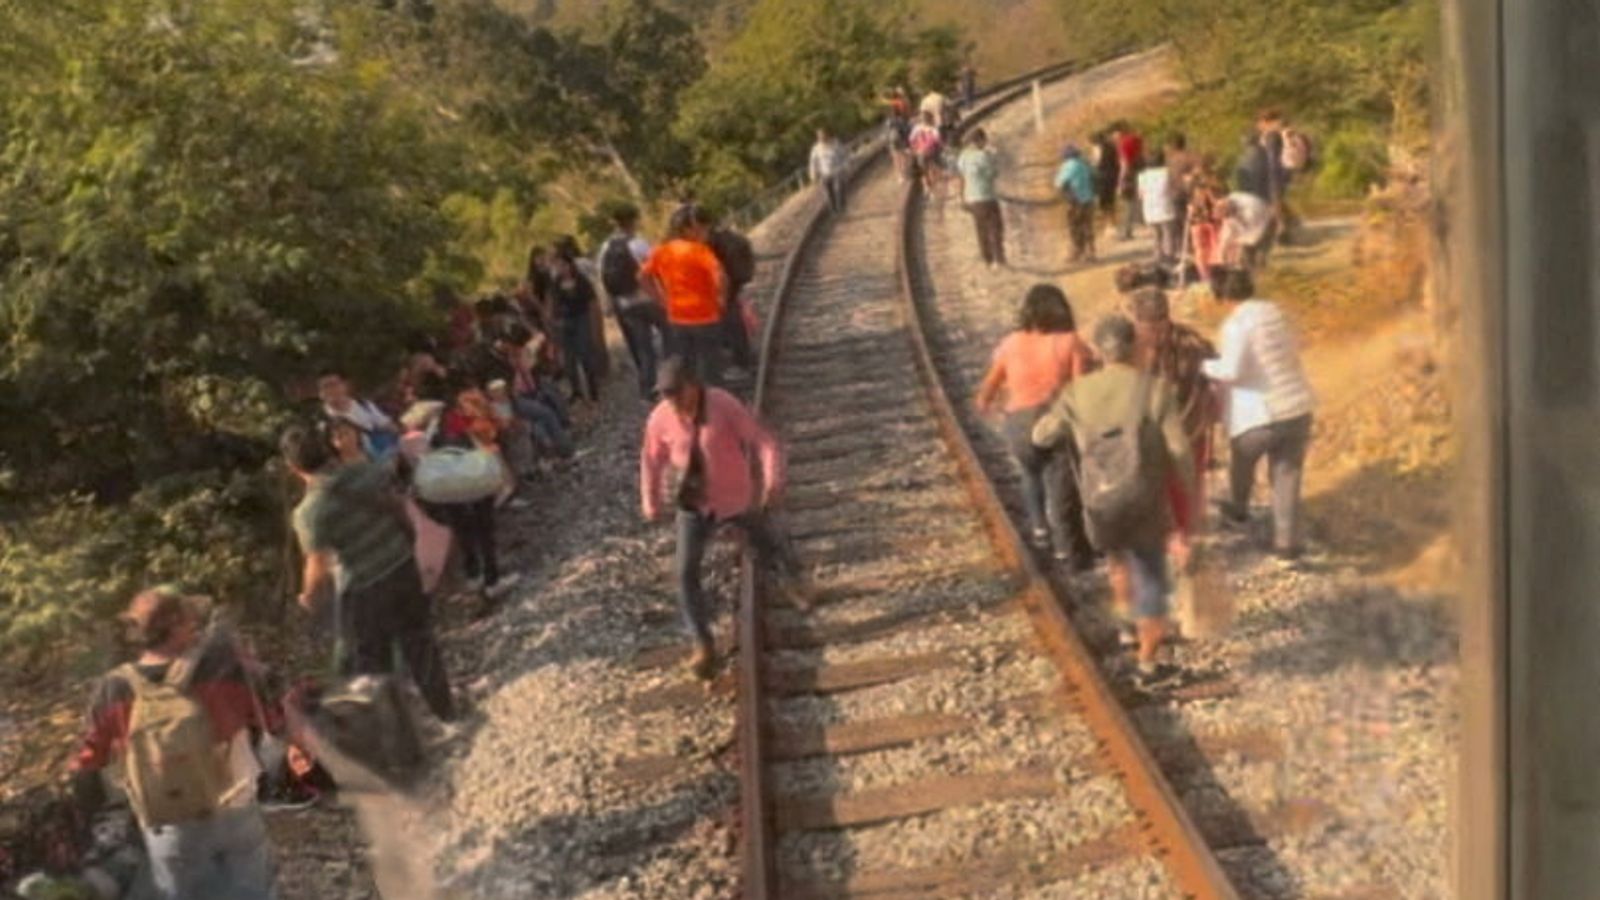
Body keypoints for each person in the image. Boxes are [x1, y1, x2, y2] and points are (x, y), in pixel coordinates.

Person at [67, 588, 282, 900]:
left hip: (170, 822)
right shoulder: (223, 668)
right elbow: (274, 720)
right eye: (189, 619)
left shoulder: (115, 687)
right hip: (235, 810)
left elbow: (87, 762)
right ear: (178, 624)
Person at [1033, 316, 1194, 690]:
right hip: (1145, 495)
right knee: (1151, 573)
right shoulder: (1155, 390)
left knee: (1118, 562)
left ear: (1097, 352)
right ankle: (1149, 666)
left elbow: (1042, 437)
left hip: (1100, 497)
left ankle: (1126, 629)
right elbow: (1180, 450)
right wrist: (1188, 492)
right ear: (1134, 347)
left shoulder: (1077, 392)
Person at [639, 358, 811, 679]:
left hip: (735, 497)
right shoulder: (660, 418)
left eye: (677, 392)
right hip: (694, 504)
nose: (672, 400)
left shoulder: (723, 405)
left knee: (767, 543)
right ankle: (702, 643)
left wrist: (772, 480)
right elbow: (651, 460)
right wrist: (651, 499)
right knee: (685, 572)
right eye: (666, 395)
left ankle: (794, 581)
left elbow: (764, 441)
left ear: (693, 385)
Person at [282, 424, 455, 722]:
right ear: (328, 449)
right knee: (419, 640)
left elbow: (318, 563)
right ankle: (446, 711)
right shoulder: (365, 473)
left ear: (293, 467)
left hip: (363, 587)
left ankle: (404, 740)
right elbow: (394, 490)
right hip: (401, 563)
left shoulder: (309, 512)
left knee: (376, 666)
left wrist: (308, 596)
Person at [975, 285, 1098, 567]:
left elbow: (986, 392)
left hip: (1016, 422)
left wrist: (995, 410)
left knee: (1030, 473)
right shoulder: (1070, 342)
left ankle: (1039, 530)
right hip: (1052, 422)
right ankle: (1067, 550)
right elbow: (1081, 391)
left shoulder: (1010, 343)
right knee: (1061, 485)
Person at [1201, 267, 1317, 560]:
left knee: (1242, 461)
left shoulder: (1236, 324)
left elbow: (1231, 371)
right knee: (1286, 475)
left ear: (1222, 295)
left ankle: (1239, 509)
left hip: (1261, 414)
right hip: (1297, 405)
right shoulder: (1276, 312)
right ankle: (1286, 544)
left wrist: (1203, 366)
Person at [1129, 287, 1218, 537]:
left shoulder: (1192, 343)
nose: (1153, 333)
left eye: (1157, 325)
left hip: (1188, 428)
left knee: (1188, 487)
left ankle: (1187, 536)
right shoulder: (1128, 349)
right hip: (1150, 433)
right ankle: (1176, 533)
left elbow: (1215, 375)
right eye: (1147, 327)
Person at [428, 372, 522, 597]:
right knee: (484, 526)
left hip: (444, 480)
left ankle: (473, 574)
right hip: (471, 472)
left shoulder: (430, 418)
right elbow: (486, 434)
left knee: (463, 530)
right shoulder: (463, 413)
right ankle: (492, 580)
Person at [640, 205, 727, 388]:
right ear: (688, 228)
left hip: (677, 317)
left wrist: (660, 299)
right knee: (710, 369)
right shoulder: (699, 250)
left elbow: (642, 277)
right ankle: (712, 406)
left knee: (687, 368)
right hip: (706, 316)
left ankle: (692, 406)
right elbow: (719, 274)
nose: (704, 231)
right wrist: (721, 298)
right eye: (701, 227)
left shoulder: (661, 251)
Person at [598, 204, 667, 400]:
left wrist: (609, 305)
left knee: (643, 347)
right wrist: (663, 296)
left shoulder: (605, 247)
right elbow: (655, 270)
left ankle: (647, 389)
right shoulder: (638, 243)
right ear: (632, 222)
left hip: (625, 304)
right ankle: (679, 373)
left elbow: (603, 278)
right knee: (671, 332)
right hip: (647, 299)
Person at [698, 207, 759, 376]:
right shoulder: (724, 236)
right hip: (733, 282)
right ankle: (742, 358)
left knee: (730, 322)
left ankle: (741, 362)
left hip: (724, 285)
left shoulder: (711, 241)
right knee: (733, 320)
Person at [548, 244, 602, 405]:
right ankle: (576, 391)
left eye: (563, 265)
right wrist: (553, 321)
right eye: (558, 265)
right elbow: (552, 304)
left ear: (570, 265)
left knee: (585, 355)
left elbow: (592, 303)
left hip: (581, 318)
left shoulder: (581, 281)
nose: (561, 268)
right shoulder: (556, 283)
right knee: (569, 360)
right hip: (565, 322)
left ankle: (593, 390)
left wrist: (595, 326)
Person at [318, 369, 399, 460]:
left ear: (345, 385)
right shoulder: (324, 422)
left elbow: (387, 425)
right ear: (320, 394)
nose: (331, 390)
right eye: (326, 387)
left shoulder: (363, 404)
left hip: (385, 453)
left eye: (334, 384)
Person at [956, 128, 1006, 269]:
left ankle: (987, 259)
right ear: (980, 140)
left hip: (972, 199)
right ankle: (998, 259)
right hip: (987, 197)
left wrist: (961, 198)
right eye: (984, 140)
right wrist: (993, 157)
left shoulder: (963, 156)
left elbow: (961, 177)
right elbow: (993, 174)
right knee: (995, 228)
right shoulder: (984, 156)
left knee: (981, 230)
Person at [1137, 150, 1179, 264]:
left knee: (1156, 236)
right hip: (1165, 207)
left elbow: (1140, 195)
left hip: (1149, 209)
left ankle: (1158, 258)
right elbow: (1174, 189)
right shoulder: (1167, 172)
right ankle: (1169, 258)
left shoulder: (1142, 176)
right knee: (1168, 234)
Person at [1217, 191, 1275, 270]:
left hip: (1263, 228)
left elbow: (1250, 234)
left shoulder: (1250, 211)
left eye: (1227, 215)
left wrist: (1231, 240)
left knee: (1259, 258)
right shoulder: (1233, 198)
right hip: (1255, 229)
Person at [1113, 122, 1145, 240]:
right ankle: (1140, 222)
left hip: (1129, 174)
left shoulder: (1123, 144)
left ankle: (1126, 232)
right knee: (1137, 200)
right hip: (1139, 171)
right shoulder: (1136, 139)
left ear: (1119, 133)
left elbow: (1124, 164)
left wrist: (1120, 182)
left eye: (1114, 135)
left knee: (1127, 203)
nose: (1114, 138)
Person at [809, 128, 850, 214]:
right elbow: (813, 162)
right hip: (824, 173)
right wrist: (813, 174)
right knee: (828, 193)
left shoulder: (836, 144)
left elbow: (844, 155)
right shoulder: (816, 149)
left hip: (837, 170)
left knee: (839, 189)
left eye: (823, 135)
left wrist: (846, 166)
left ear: (827, 135)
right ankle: (834, 210)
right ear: (818, 138)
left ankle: (841, 207)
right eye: (820, 136)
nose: (822, 138)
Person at [908, 111, 946, 196]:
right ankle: (934, 187)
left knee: (923, 171)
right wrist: (942, 147)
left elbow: (911, 139)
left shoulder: (917, 128)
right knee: (933, 168)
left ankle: (927, 187)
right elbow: (938, 141)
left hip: (920, 152)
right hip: (932, 152)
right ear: (930, 119)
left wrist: (915, 148)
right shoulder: (933, 129)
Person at [1092, 130, 1120, 234]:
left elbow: (1096, 163)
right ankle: (1114, 224)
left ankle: (1108, 225)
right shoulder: (1112, 146)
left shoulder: (1098, 148)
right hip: (1112, 176)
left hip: (1102, 177)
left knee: (1104, 203)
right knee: (1111, 201)